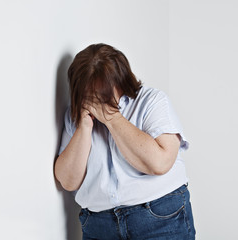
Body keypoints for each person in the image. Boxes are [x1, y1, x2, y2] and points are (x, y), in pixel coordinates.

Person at [54, 43, 196, 240]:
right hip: (99, 226)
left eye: (102, 92)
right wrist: (84, 127)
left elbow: (160, 163)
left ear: (120, 81)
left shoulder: (152, 101)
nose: (96, 100)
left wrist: (112, 118)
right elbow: (68, 181)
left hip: (160, 218)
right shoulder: (75, 116)